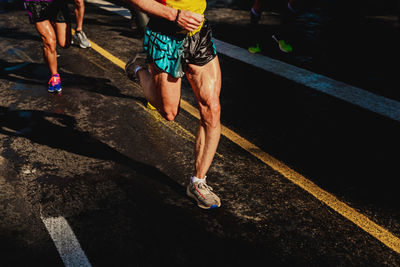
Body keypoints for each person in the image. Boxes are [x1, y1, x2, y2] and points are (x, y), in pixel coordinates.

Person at [125, 0, 222, 209]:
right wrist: (174, 15)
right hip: (164, 33)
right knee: (168, 112)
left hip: (198, 32)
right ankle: (139, 69)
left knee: (212, 109)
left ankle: (198, 182)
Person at [24, 0, 71, 92]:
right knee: (49, 42)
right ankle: (54, 76)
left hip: (58, 4)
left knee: (65, 43)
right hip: (36, 3)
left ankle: (51, 25)